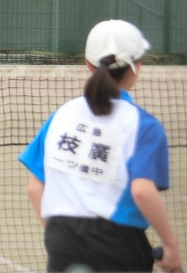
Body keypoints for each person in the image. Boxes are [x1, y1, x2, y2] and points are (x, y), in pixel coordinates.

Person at [19, 20, 182, 273]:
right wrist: (171, 247)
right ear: (136, 67)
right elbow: (142, 191)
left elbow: (34, 188)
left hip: (62, 239)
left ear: (88, 65)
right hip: (118, 244)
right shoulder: (144, 126)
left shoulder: (62, 116)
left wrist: (59, 236)